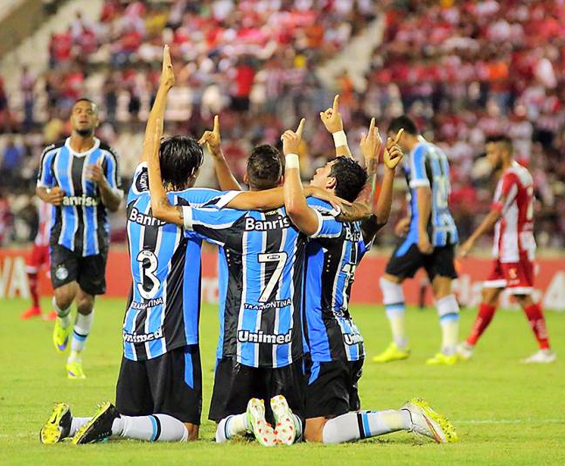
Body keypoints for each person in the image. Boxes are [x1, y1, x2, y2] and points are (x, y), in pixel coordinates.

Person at [39, 46, 332, 445]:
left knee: (135, 414)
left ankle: (74, 423)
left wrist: (163, 90)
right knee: (186, 430)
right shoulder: (195, 204)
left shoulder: (140, 194)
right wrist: (311, 187)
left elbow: (149, 141)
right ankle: (115, 424)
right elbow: (255, 199)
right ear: (193, 173)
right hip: (173, 334)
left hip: (133, 327)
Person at [283, 103, 456, 444]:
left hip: (324, 341)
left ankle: (404, 417)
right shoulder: (355, 228)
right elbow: (364, 200)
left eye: (318, 173)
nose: (313, 177)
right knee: (310, 426)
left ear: (329, 184)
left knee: (317, 434)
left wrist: (291, 158)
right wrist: (374, 165)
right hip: (343, 340)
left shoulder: (327, 222)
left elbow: (295, 205)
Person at [36, 97, 124, 379]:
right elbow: (41, 188)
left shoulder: (107, 157)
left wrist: (101, 184)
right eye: (78, 111)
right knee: (64, 295)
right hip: (63, 236)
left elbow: (114, 203)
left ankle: (75, 357)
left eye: (89, 112)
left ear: (97, 121)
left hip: (96, 239)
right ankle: (61, 319)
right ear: (71, 120)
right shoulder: (52, 155)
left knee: (86, 302)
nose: (83, 115)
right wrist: (48, 196)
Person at [372, 115, 462, 365]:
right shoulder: (438, 152)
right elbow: (437, 193)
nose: (390, 144)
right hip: (445, 228)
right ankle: (449, 350)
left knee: (389, 280)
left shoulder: (418, 154)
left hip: (426, 230)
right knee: (442, 290)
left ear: (401, 134)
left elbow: (423, 191)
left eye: (391, 138)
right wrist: (411, 216)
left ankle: (399, 344)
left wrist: (420, 228)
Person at [457, 135, 555, 363]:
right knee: (489, 293)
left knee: (522, 294)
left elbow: (496, 212)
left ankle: (546, 350)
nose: (489, 158)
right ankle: (468, 346)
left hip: (514, 245)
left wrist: (471, 240)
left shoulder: (511, 177)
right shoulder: (521, 173)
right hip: (506, 245)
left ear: (502, 152)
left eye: (491, 153)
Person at [21, 198, 56, 321]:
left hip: (52, 241)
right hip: (39, 240)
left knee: (54, 276)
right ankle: (35, 307)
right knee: (31, 271)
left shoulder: (59, 192)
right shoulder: (42, 192)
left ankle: (58, 310)